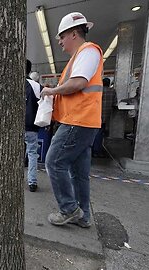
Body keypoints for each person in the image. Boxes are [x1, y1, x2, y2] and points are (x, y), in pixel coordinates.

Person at [41, 12, 103, 228]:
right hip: (85, 121)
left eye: (61, 36)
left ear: (74, 34)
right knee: (79, 172)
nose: (59, 41)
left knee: (53, 162)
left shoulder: (87, 52)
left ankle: (69, 209)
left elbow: (77, 83)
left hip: (78, 120)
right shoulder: (81, 56)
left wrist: (51, 91)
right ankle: (83, 215)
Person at [25, 60, 41, 192]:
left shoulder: (11, 85)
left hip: (13, 128)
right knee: (32, 154)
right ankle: (32, 182)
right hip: (31, 125)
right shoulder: (36, 86)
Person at [92, 78, 117, 158]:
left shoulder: (98, 90)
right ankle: (97, 150)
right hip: (106, 115)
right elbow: (114, 103)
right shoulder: (112, 91)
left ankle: (94, 150)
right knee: (100, 133)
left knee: (95, 133)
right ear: (109, 83)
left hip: (96, 115)